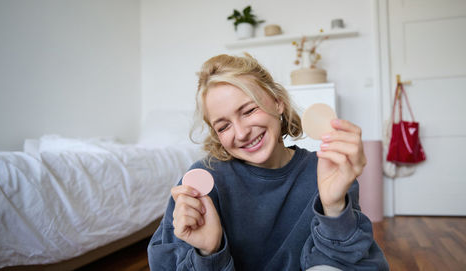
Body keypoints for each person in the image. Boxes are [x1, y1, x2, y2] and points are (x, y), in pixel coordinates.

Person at [147, 54, 389, 270]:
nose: (241, 133)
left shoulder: (325, 171)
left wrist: (334, 207)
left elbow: (354, 263)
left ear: (277, 102)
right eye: (223, 126)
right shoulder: (203, 182)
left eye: (249, 110)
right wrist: (208, 253)